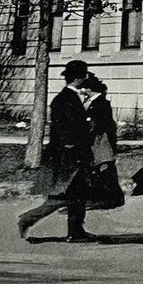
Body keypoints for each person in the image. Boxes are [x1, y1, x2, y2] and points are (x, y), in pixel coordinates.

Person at [18, 60, 96, 241]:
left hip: (67, 155)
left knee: (78, 194)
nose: (86, 78)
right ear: (78, 78)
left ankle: (76, 231)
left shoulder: (63, 98)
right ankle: (27, 219)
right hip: (70, 156)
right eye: (84, 75)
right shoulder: (68, 99)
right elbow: (68, 130)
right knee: (63, 196)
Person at [79, 74, 125, 213]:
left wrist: (89, 135)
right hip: (95, 140)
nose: (82, 90)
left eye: (84, 88)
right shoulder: (91, 101)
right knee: (97, 169)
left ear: (89, 89)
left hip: (101, 140)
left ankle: (111, 199)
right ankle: (103, 197)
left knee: (104, 168)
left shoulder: (101, 103)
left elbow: (101, 124)